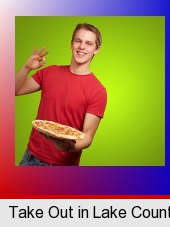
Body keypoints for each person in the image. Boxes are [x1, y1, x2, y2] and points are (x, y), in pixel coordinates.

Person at [16, 23, 107, 166]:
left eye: (88, 43)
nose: (82, 47)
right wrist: (27, 67)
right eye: (78, 41)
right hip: (30, 157)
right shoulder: (49, 72)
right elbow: (15, 90)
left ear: (96, 49)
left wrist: (67, 146)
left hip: (62, 164)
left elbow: (88, 136)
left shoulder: (98, 91)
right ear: (71, 44)